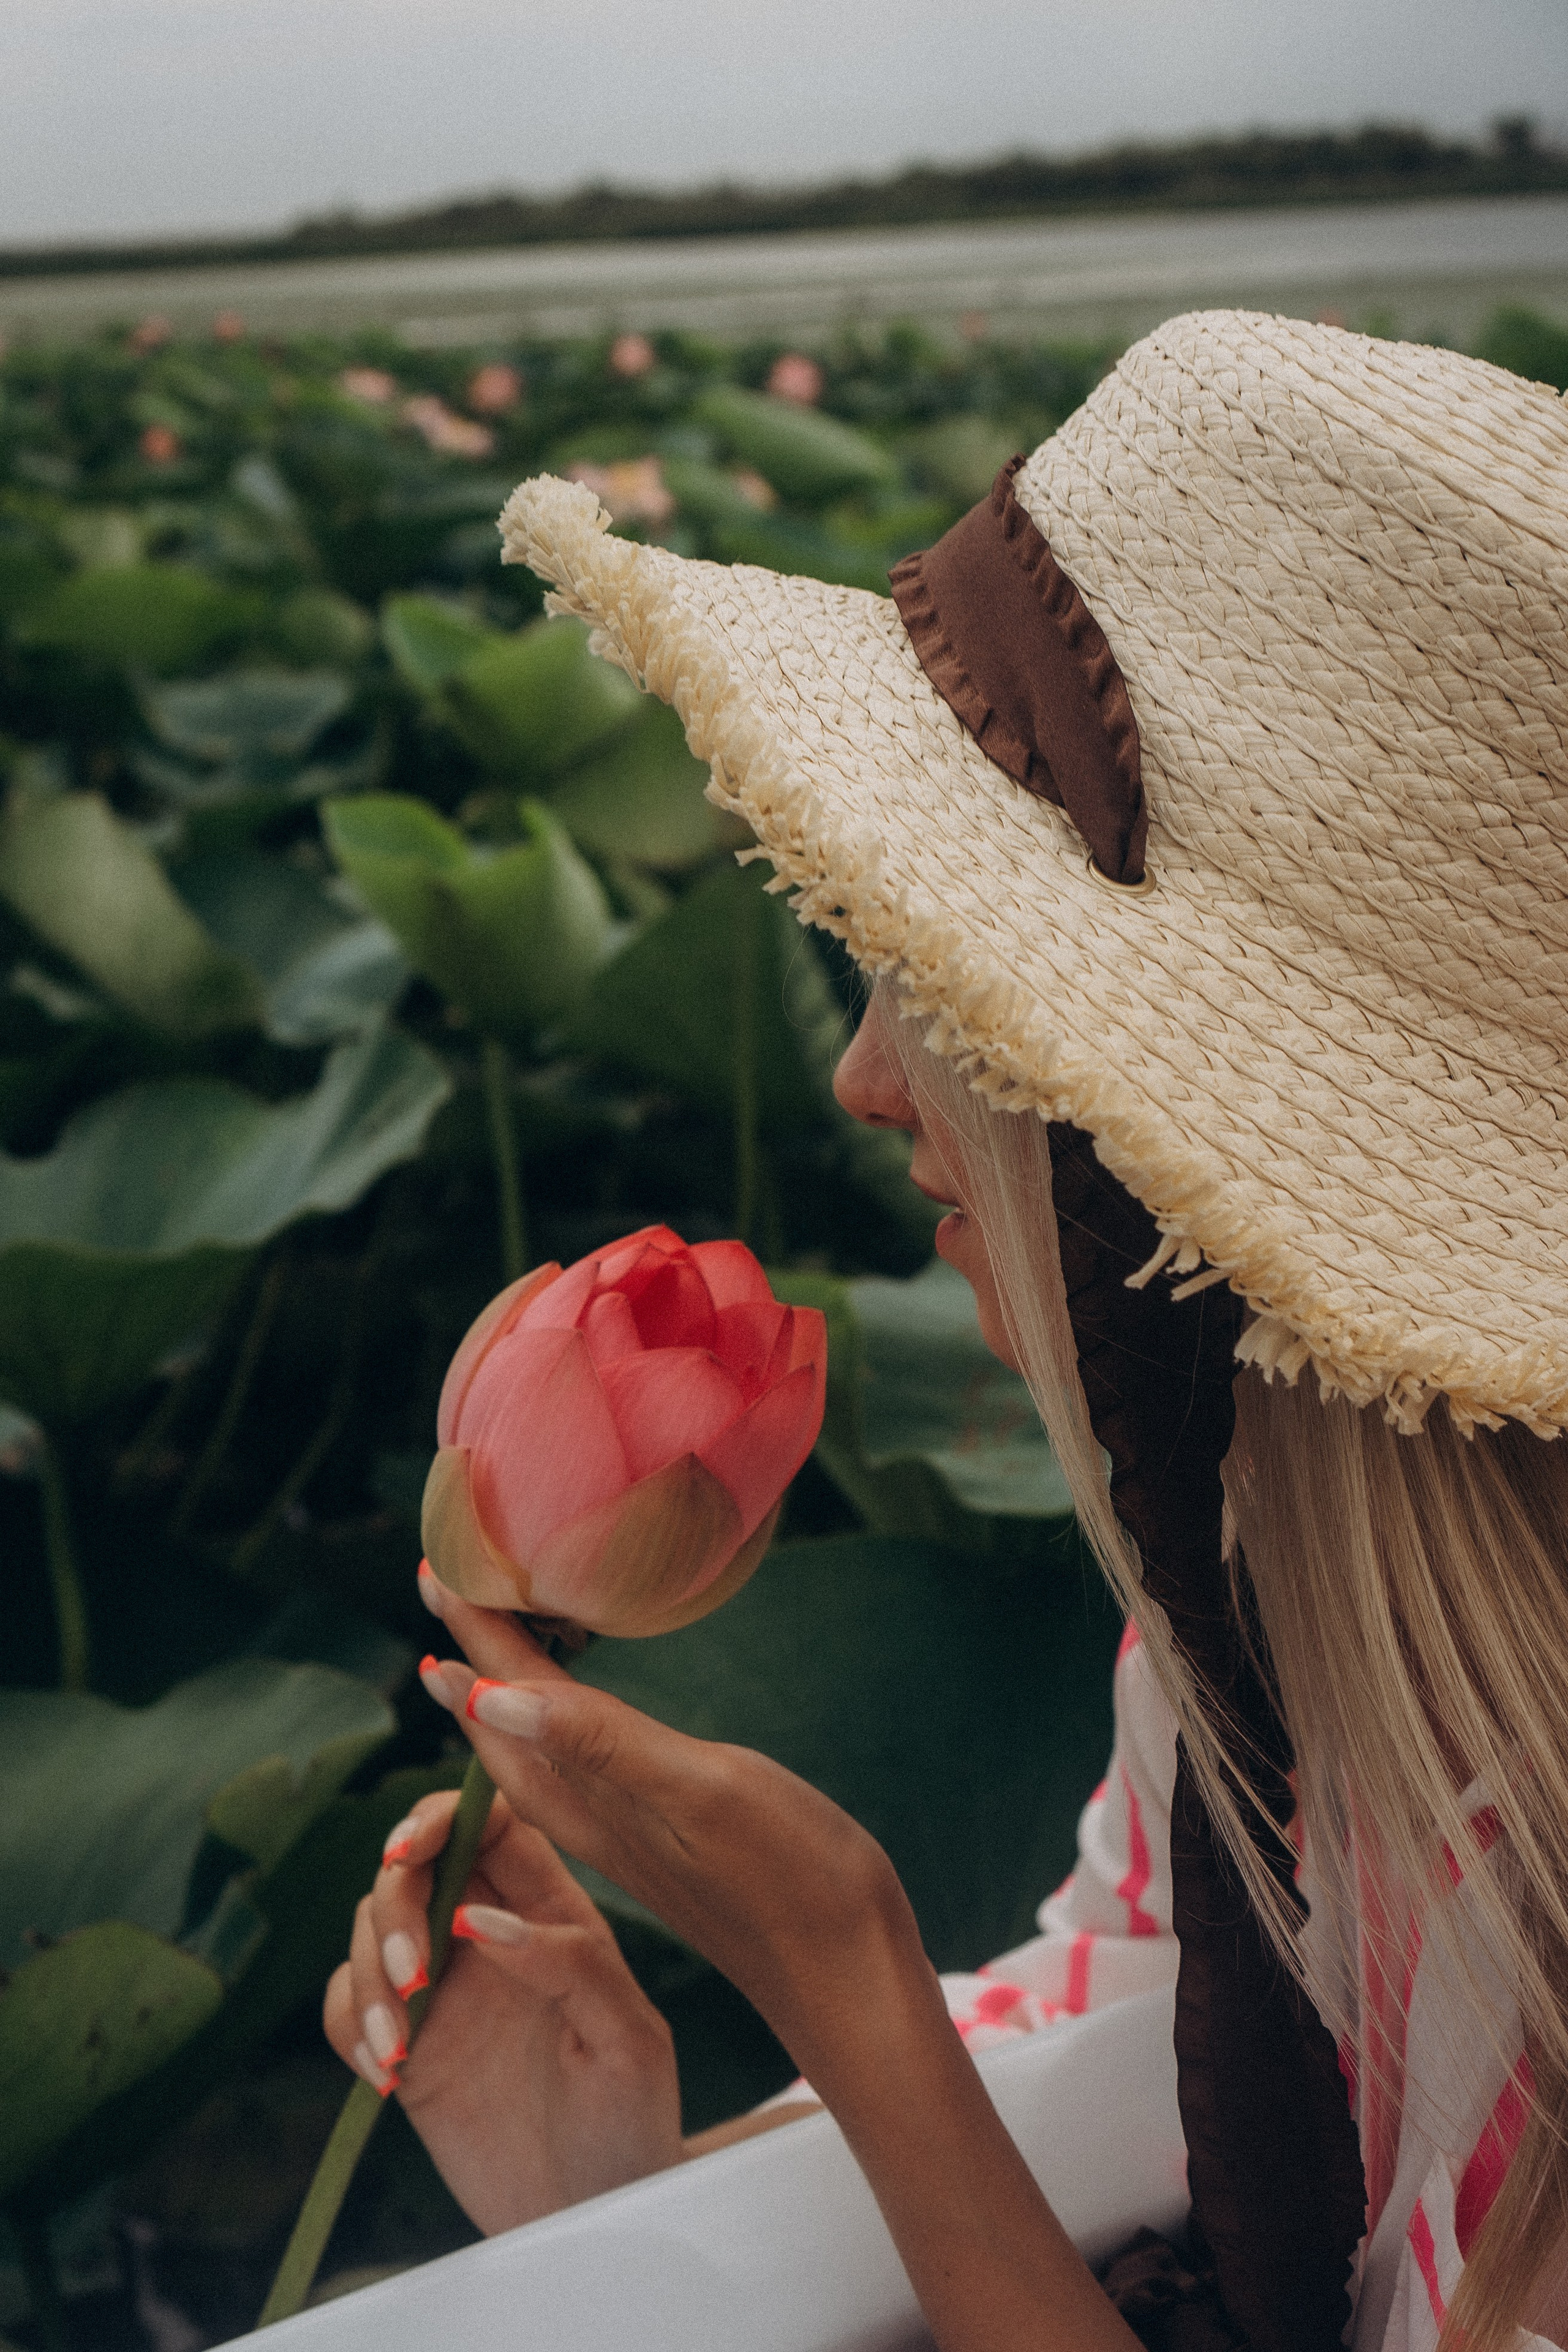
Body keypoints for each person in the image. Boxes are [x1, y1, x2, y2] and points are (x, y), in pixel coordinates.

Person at [324, 311, 1568, 2351]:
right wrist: (614, 2178)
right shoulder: (1245, 1608)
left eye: (962, 976)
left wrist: (842, 1973)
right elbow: (1100, 2088)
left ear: (1205, 1111)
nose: (863, 1078)